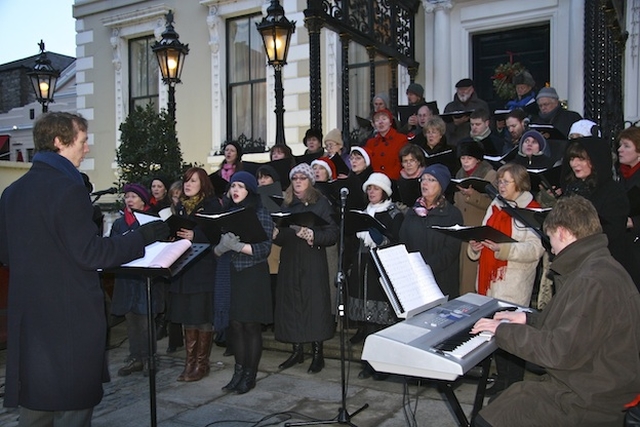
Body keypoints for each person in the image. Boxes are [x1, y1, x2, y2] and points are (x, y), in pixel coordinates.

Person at [0, 112, 169, 426]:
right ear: (59, 141)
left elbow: (7, 254)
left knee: (37, 402)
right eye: (83, 140)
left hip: (30, 315)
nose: (87, 148)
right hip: (69, 315)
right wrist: (141, 237)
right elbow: (92, 253)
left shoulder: (12, 193)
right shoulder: (69, 188)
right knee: (74, 404)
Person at [471, 195, 640, 427]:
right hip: (593, 383)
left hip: (591, 398)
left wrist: (503, 332)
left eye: (549, 238)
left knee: (501, 413)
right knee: (509, 401)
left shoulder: (591, 280)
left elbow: (558, 351)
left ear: (562, 232)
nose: (549, 247)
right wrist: (527, 319)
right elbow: (578, 327)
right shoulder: (599, 266)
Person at [467, 163, 545, 396]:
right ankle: (501, 380)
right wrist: (476, 245)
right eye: (499, 181)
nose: (500, 185)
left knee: (512, 338)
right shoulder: (496, 204)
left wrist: (504, 249)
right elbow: (484, 231)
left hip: (512, 283)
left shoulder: (531, 209)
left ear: (519, 183)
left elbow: (535, 249)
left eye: (506, 181)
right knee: (496, 336)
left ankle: (514, 385)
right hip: (489, 280)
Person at [273, 163, 338, 374]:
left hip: (312, 260)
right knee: (291, 304)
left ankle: (317, 354)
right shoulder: (287, 204)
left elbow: (332, 233)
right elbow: (283, 237)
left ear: (310, 181)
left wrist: (312, 235)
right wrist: (276, 234)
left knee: (314, 304)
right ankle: (297, 350)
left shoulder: (321, 203)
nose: (298, 181)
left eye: (303, 178)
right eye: (295, 178)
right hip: (291, 260)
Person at [214, 172, 273, 394]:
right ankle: (238, 372)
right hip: (231, 273)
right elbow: (217, 248)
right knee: (236, 325)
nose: (235, 190)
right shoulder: (226, 213)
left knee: (250, 325)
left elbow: (264, 249)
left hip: (252, 274)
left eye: (240, 186)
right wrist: (220, 248)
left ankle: (250, 375)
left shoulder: (260, 212)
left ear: (250, 190)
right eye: (233, 186)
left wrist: (238, 247)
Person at [345, 173, 404, 378]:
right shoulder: (363, 213)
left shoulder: (394, 214)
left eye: (376, 188)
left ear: (385, 192)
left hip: (382, 272)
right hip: (363, 271)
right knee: (368, 321)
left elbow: (395, 240)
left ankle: (383, 365)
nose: (371, 191)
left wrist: (379, 238)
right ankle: (369, 363)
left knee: (382, 322)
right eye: (369, 188)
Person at [170, 167, 223, 382]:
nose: (188, 185)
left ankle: (202, 363)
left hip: (203, 269)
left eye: (193, 181)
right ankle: (189, 362)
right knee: (187, 317)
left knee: (202, 317)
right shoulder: (181, 207)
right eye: (186, 181)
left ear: (203, 184)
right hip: (183, 269)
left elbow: (217, 236)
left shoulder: (210, 206)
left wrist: (196, 235)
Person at [110, 183, 164, 377]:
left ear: (143, 200)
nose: (129, 200)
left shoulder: (153, 221)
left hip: (145, 277)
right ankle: (136, 358)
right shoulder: (119, 223)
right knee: (131, 319)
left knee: (145, 320)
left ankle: (150, 358)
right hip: (126, 277)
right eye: (127, 197)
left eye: (133, 196)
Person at [399, 164, 463, 298]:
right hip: (415, 281)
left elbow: (451, 250)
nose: (425, 183)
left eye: (431, 180)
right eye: (423, 179)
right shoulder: (413, 212)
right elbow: (403, 242)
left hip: (441, 280)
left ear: (441, 185)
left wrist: (426, 267)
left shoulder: (452, 214)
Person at [452, 140, 497, 296]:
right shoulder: (459, 174)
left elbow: (494, 203)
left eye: (469, 158)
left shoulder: (490, 175)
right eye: (462, 158)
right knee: (460, 273)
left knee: (471, 276)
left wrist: (474, 196)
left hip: (478, 229)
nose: (465, 162)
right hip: (462, 230)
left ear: (478, 159)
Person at [617, 126, 640, 291]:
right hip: (625, 242)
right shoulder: (623, 174)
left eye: (626, 146)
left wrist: (635, 222)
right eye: (620, 145)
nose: (620, 150)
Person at [364, 108, 408, 180]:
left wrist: (388, 179)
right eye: (377, 120)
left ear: (390, 122)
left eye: (384, 119)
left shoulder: (401, 139)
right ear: (374, 124)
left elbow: (401, 163)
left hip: (393, 182)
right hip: (375, 183)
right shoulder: (370, 143)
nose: (381, 122)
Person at [443, 78, 490, 146]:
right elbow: (443, 129)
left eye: (465, 89)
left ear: (472, 90)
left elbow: (489, 125)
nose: (462, 92)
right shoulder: (450, 107)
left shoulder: (481, 105)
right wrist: (455, 124)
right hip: (455, 144)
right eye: (459, 90)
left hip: (477, 144)